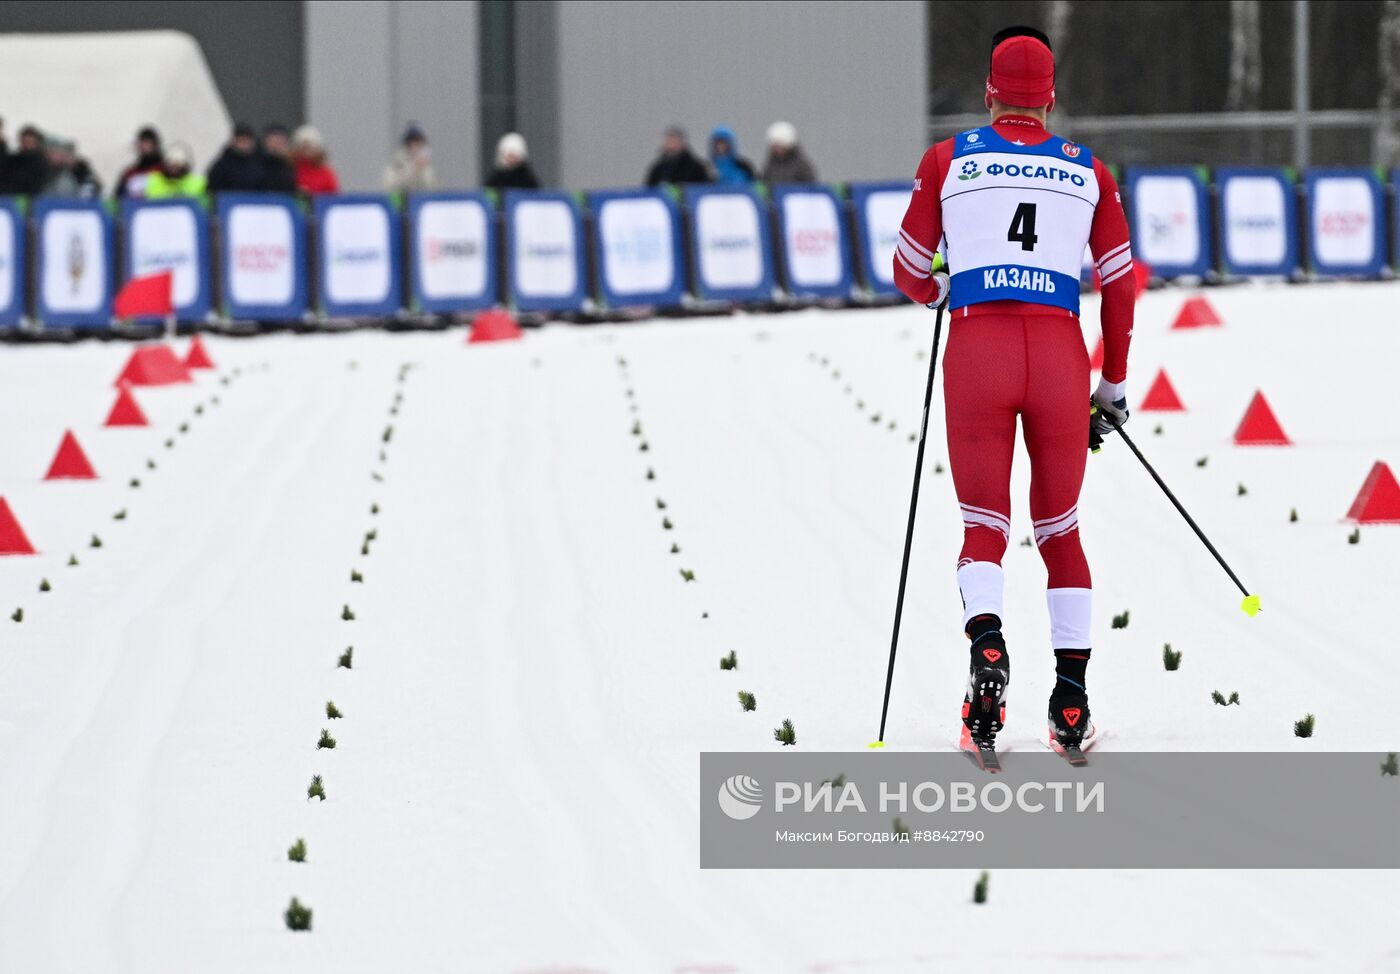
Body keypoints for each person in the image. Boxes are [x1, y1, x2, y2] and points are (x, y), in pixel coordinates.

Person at [892, 26, 1136, 763]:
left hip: (977, 349)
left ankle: (988, 654)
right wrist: (1113, 383)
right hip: (1059, 353)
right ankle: (1071, 700)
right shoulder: (1088, 170)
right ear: (1051, 98)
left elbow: (905, 269)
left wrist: (943, 282)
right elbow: (1121, 280)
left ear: (989, 92)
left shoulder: (947, 159)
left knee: (984, 526)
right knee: (1060, 530)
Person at [206, 122, 265, 193]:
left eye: (246, 141)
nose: (243, 145)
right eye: (240, 141)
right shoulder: (222, 165)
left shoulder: (262, 163)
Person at [644, 125, 710, 187]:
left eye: (674, 141)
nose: (671, 145)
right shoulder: (658, 169)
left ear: (682, 143)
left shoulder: (696, 167)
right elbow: (648, 189)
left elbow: (705, 188)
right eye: (669, 141)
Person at [384, 122, 438, 193]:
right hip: (401, 201)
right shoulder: (398, 162)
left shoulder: (426, 164)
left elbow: (432, 187)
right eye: (411, 141)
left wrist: (422, 169)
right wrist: (413, 169)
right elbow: (389, 184)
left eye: (417, 141)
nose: (414, 145)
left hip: (420, 200)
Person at [115, 125, 163, 198]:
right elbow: (117, 198)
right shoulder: (130, 173)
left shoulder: (165, 170)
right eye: (143, 144)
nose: (145, 147)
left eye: (149, 143)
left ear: (156, 145)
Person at [2, 124, 50, 196]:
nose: (27, 144)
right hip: (11, 198)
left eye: (30, 142)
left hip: (32, 200)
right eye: (25, 141)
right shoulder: (13, 160)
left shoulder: (41, 163)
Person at [291, 125, 340, 195]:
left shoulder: (326, 173)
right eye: (304, 147)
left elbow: (333, 195)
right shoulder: (292, 169)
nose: (307, 151)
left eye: (310, 147)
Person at [260, 124, 297, 193]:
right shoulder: (257, 163)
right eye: (273, 141)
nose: (276, 145)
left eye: (279, 142)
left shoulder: (291, 166)